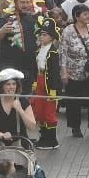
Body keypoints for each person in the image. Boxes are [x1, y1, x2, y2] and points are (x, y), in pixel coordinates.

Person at [59, 5, 89, 138]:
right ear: (76, 16)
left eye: (88, 14)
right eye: (85, 14)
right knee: (74, 101)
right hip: (73, 71)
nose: (88, 17)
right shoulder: (68, 31)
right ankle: (75, 127)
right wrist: (64, 72)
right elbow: (63, 52)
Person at [31, 19, 61, 150]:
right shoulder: (40, 50)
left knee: (49, 112)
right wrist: (35, 83)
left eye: (45, 35)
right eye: (41, 34)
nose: (42, 37)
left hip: (49, 85)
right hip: (40, 81)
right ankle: (43, 137)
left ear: (52, 37)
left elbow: (54, 73)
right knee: (40, 110)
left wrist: (53, 90)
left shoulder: (53, 53)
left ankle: (51, 140)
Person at [0, 70, 36, 143]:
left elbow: (32, 126)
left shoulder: (23, 101)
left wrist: (20, 111)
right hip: (0, 144)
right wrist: (2, 135)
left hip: (21, 144)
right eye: (8, 84)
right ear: (2, 86)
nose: (11, 87)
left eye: (14, 84)